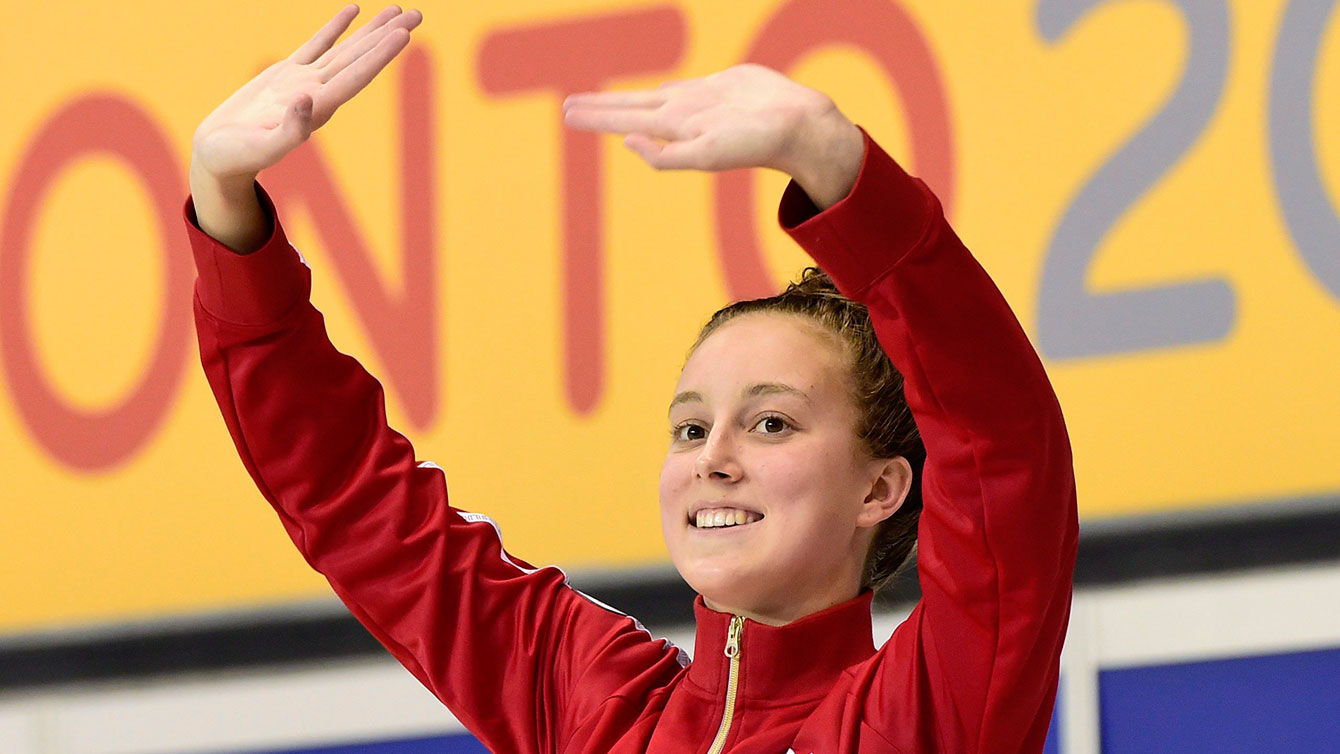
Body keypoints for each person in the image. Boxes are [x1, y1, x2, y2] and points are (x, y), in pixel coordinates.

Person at [184, 5, 1079, 753]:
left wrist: (834, 162)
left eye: (770, 424)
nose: (711, 460)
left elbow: (1005, 455)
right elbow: (362, 509)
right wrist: (226, 209)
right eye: (691, 429)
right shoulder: (597, 708)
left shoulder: (926, 715)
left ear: (881, 487)